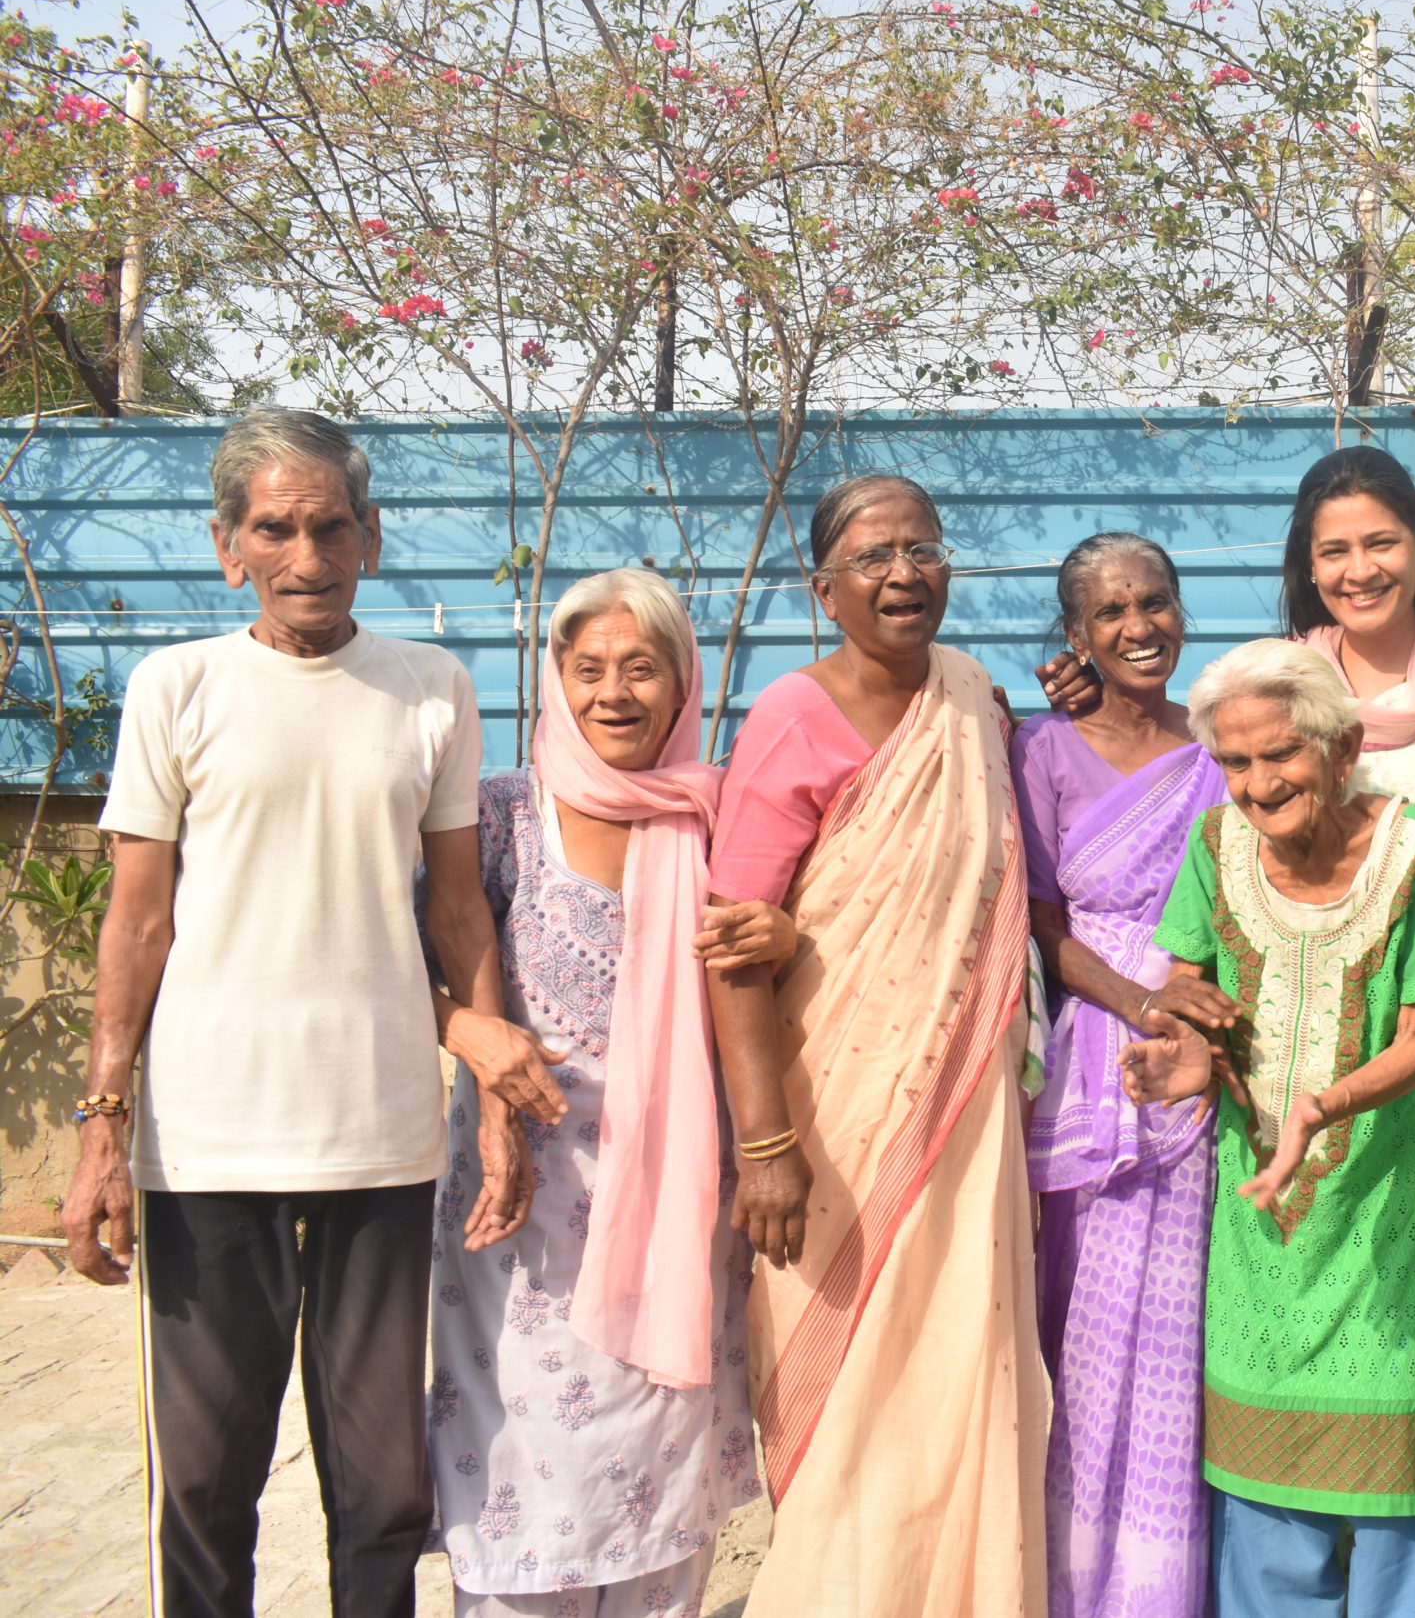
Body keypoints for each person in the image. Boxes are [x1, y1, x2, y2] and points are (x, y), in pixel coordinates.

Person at [58, 407, 565, 1616]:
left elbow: (456, 915)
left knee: (382, 1485)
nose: (305, 556)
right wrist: (101, 1128)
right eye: (273, 529)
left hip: (381, 1134)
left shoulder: (429, 690)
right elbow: (135, 924)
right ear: (228, 546)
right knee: (204, 1481)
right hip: (210, 1136)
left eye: (328, 527)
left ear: (369, 537)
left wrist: (493, 1099)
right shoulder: (175, 688)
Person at [702, 472, 1046, 1616]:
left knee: (958, 1368)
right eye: (873, 557)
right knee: (850, 1381)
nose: (904, 573)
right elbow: (732, 947)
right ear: (825, 591)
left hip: (966, 1112)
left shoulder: (976, 704)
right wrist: (767, 1143)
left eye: (923, 549)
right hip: (832, 1119)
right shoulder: (790, 717)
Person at [428, 569, 791, 1616]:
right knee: (518, 1494)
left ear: (684, 686)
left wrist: (789, 931)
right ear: (555, 680)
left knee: (657, 1490)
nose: (613, 693)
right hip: (522, 1217)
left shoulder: (724, 822)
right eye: (588, 670)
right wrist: (469, 1032)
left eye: (642, 668)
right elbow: (396, 969)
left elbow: (793, 972)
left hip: (677, 1219)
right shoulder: (499, 818)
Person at [1119, 637, 1415, 1618]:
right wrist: (1176, 1057)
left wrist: (1324, 1104)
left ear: (1343, 748)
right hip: (1261, 1217)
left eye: (1280, 754)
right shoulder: (1213, 846)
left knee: (1401, 1477)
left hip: (1387, 1208)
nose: (1256, 783)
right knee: (1268, 1490)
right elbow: (1186, 992)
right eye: (1234, 762)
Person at [1011, 532, 1238, 1618]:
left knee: (1179, 1347)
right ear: (1075, 637)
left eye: (1154, 602)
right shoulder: (1042, 753)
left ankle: (1157, 1591)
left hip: (1198, 1072)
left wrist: (1192, 1023)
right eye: (1109, 614)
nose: (1137, 626)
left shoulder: (1219, 748)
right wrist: (1141, 1002)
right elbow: (1044, 927)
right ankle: (1069, 1588)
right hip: (1093, 1072)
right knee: (1082, 1348)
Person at [1039, 448, 1415, 834]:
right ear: (1311, 564)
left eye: (1381, 543)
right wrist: (1098, 689)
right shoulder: (1271, 681)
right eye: (1335, 551)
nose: (1360, 571)